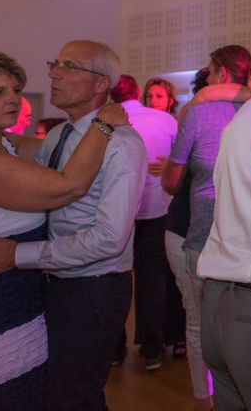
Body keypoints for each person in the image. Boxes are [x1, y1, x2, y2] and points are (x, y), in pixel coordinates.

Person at [0, 40, 147, 410]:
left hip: (92, 289)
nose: (54, 73)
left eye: (67, 66)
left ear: (101, 83)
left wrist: (19, 254)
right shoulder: (56, 135)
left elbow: (110, 239)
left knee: (73, 397)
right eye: (55, 63)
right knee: (54, 390)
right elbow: (45, 193)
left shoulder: (122, 144)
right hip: (48, 281)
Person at [161, 45, 251, 411]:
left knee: (199, 322)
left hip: (193, 230)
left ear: (218, 72)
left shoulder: (199, 112)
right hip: (240, 234)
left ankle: (206, 400)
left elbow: (171, 181)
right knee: (235, 323)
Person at [111, 74, 178, 371]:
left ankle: (114, 349)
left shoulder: (111, 122)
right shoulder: (166, 122)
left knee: (117, 279)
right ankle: (152, 350)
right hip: (156, 210)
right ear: (138, 92)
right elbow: (181, 164)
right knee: (153, 281)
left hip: (120, 212)